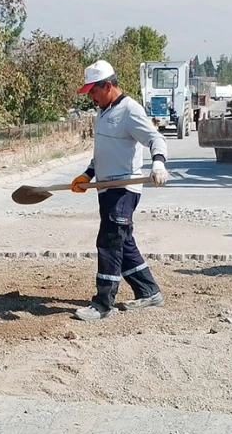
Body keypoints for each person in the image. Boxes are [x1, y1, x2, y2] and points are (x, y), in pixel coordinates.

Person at [70, 60, 170, 321]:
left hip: (123, 187)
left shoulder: (129, 109)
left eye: (93, 91)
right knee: (123, 242)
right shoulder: (103, 113)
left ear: (108, 85)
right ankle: (149, 291)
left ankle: (103, 304)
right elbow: (102, 155)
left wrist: (158, 163)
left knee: (109, 241)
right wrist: (87, 175)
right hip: (106, 189)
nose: (91, 97)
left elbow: (155, 138)